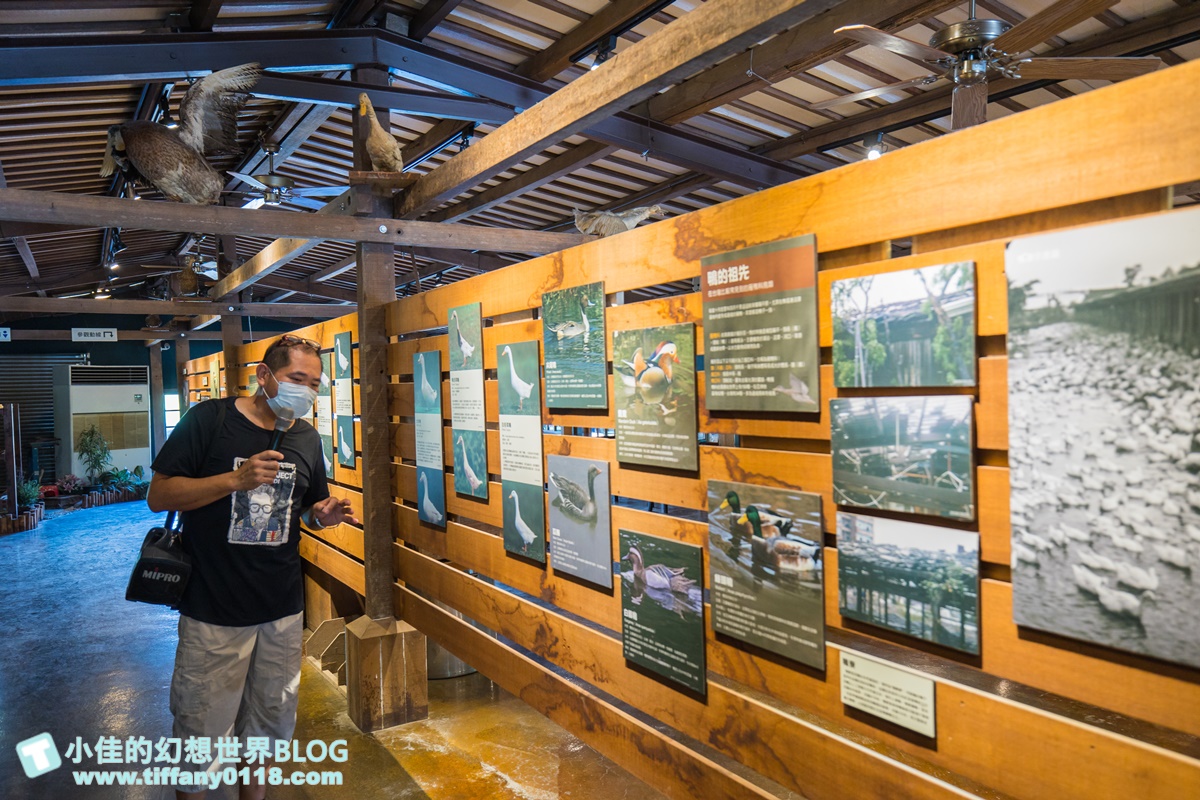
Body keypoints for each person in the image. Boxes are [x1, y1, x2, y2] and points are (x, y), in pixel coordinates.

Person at [147, 335, 358, 800]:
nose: (306, 391)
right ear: (264, 376)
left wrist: (321, 515)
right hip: (213, 610)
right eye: (296, 378)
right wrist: (233, 480)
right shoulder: (210, 420)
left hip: (281, 610)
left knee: (266, 731)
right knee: (200, 736)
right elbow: (158, 495)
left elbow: (305, 510)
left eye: (314, 384)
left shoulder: (306, 437)